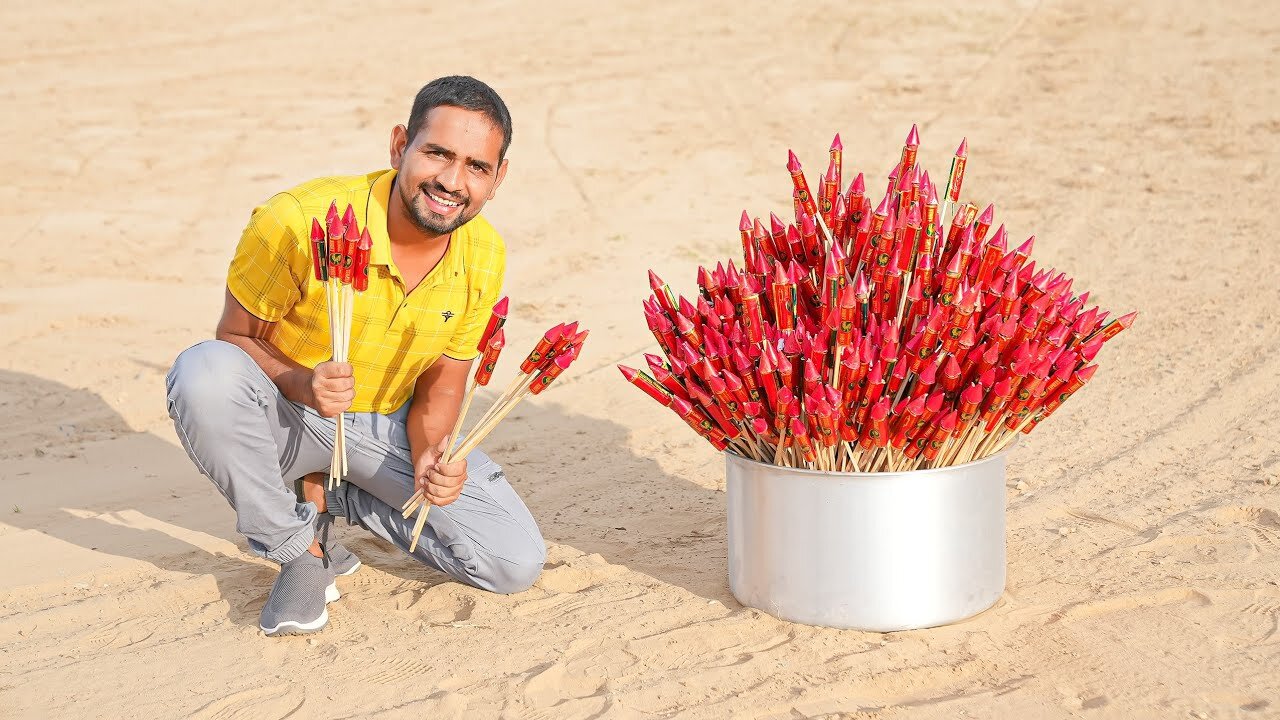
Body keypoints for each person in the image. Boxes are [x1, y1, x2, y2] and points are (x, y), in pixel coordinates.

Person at [164, 76, 546, 636]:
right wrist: (301, 383)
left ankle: (330, 496)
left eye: (476, 166)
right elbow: (235, 339)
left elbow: (444, 380)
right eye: (436, 153)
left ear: (498, 177)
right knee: (201, 375)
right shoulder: (295, 220)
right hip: (289, 417)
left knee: (513, 563)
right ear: (399, 146)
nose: (451, 180)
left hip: (377, 429)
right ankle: (300, 550)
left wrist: (431, 455)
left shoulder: (484, 252)